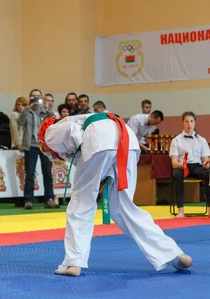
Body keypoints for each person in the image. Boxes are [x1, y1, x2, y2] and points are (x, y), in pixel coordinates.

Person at [39, 113, 192, 277]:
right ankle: (174, 254)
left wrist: (95, 169)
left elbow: (74, 133)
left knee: (81, 204)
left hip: (100, 140)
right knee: (124, 208)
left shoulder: (50, 131)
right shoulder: (80, 119)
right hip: (128, 142)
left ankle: (73, 262)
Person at [169, 112, 210, 219]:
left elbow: (205, 162)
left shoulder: (201, 140)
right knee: (177, 175)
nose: (189, 124)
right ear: (182, 123)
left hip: (197, 167)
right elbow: (174, 162)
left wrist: (207, 163)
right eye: (186, 121)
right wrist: (180, 165)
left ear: (195, 123)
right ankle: (180, 210)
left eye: (191, 121)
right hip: (182, 166)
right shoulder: (176, 140)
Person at [18, 89, 59, 210]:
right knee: (30, 173)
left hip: (44, 145)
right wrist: (27, 107)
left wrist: (46, 107)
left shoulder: (45, 111)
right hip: (31, 145)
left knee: (47, 172)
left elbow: (54, 120)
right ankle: (28, 199)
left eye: (38, 97)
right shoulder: (27, 111)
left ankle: (49, 198)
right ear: (30, 98)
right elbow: (20, 122)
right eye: (33, 97)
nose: (36, 99)